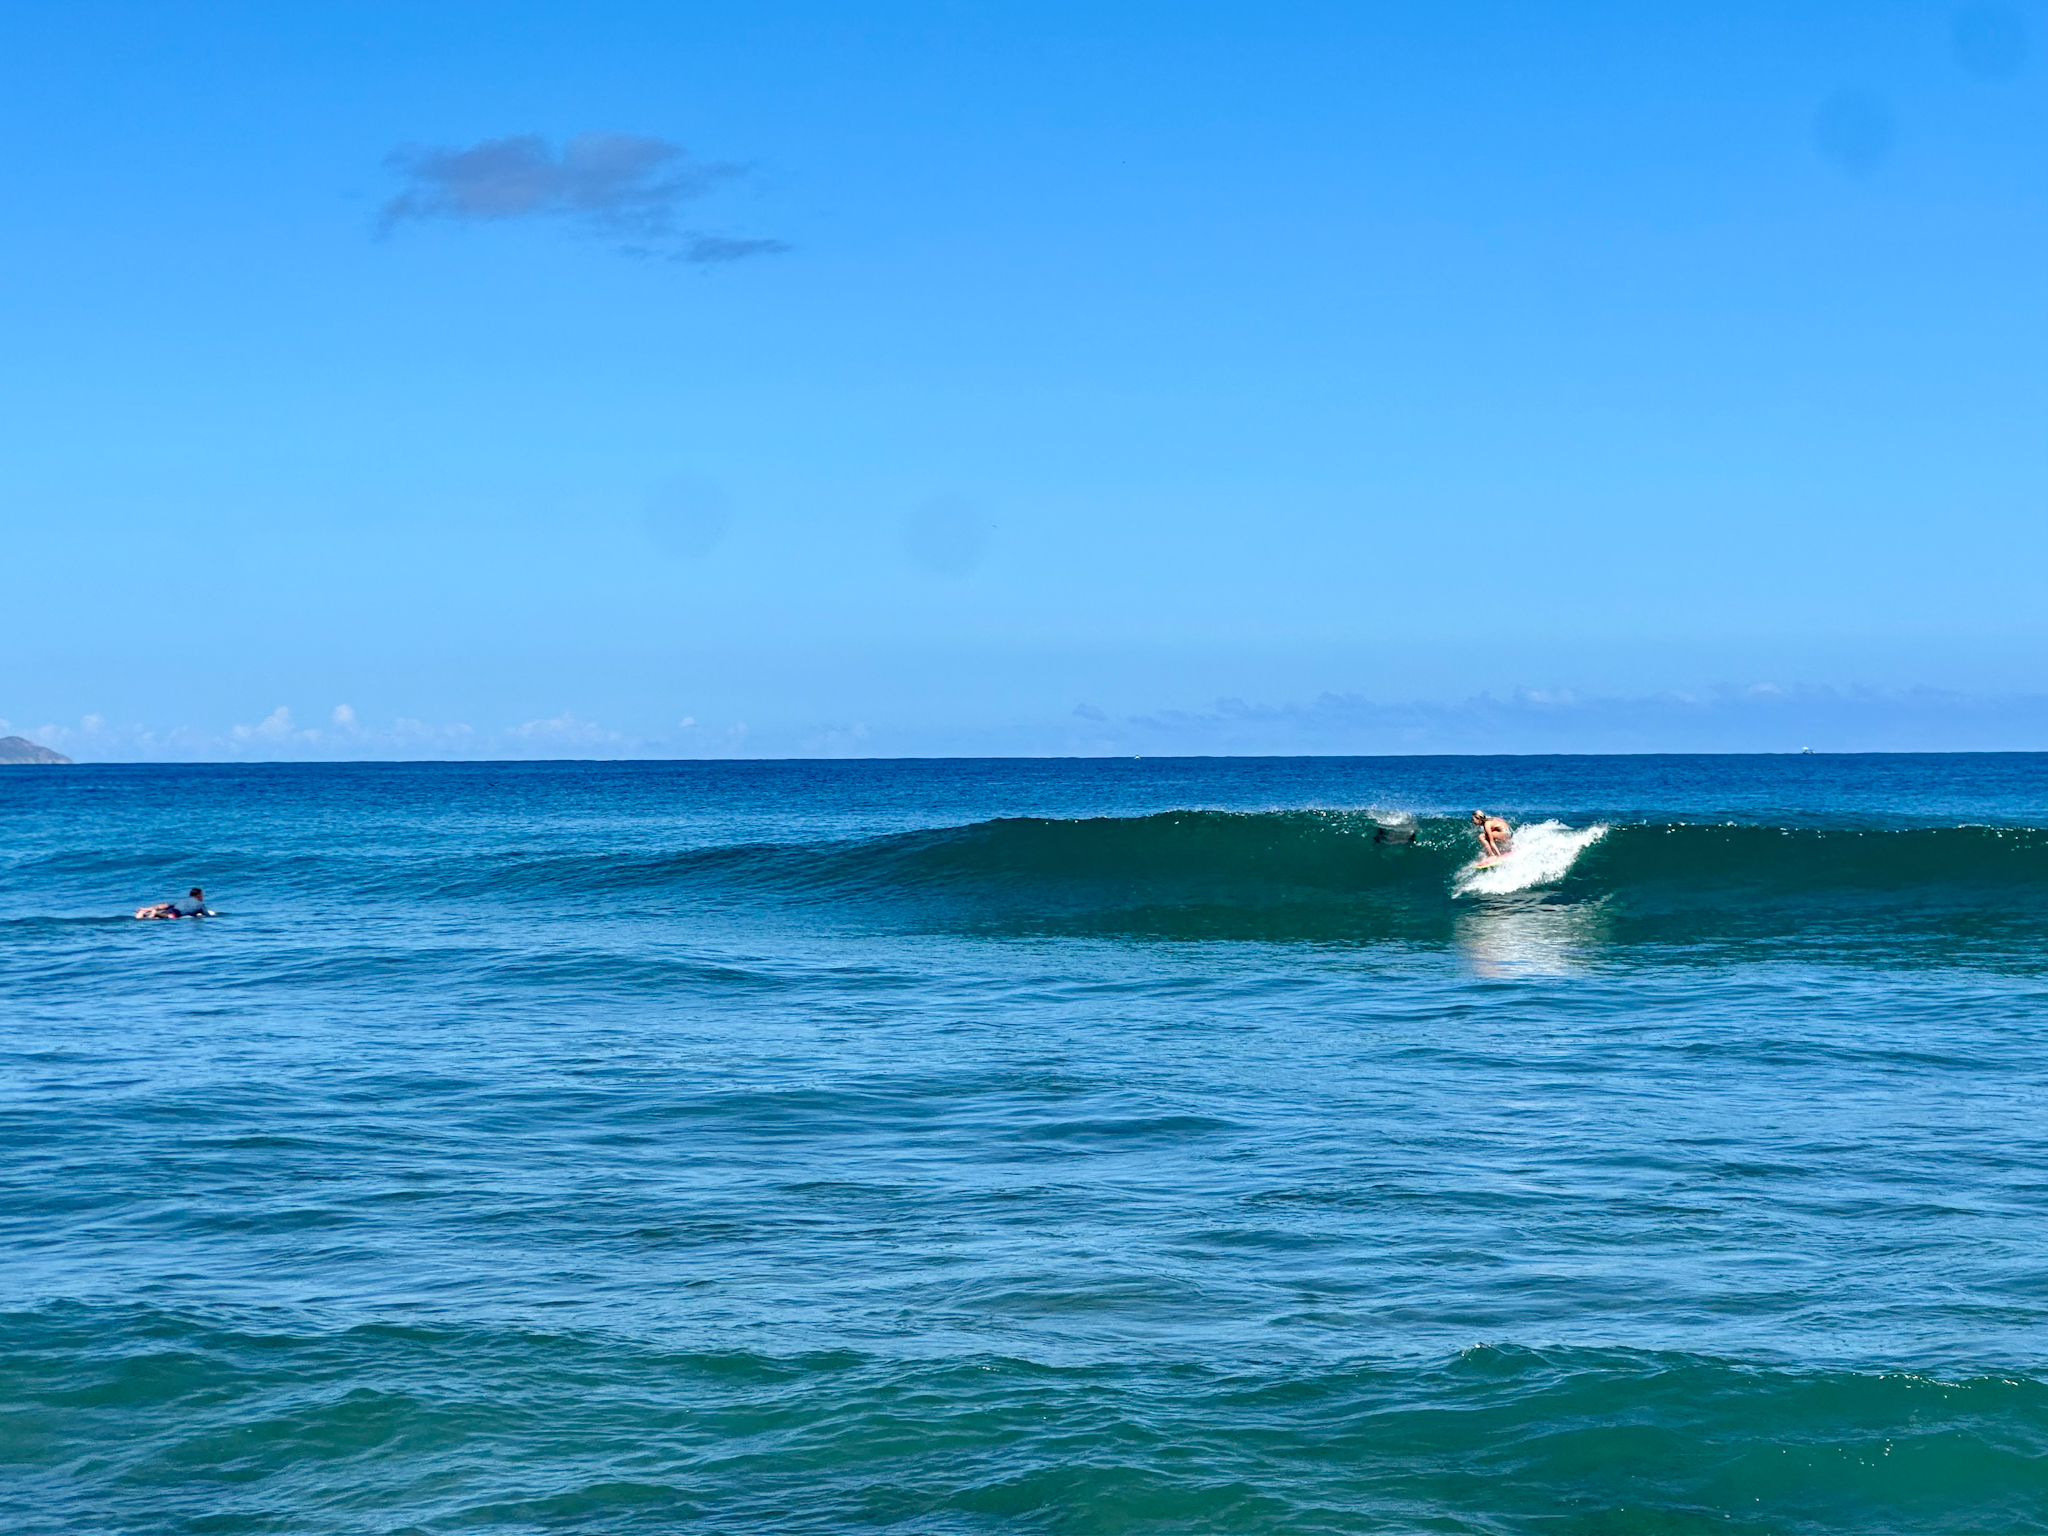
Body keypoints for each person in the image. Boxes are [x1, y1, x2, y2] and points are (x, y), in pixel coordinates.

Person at [137, 887, 209, 920]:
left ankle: (146, 910)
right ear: (198, 895)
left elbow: (163, 906)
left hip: (173, 909)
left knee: (166, 909)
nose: (202, 897)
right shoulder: (200, 904)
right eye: (202, 895)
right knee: (169, 916)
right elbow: (206, 915)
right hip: (176, 913)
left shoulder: (182, 900)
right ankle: (155, 913)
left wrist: (150, 908)